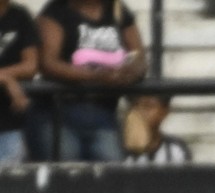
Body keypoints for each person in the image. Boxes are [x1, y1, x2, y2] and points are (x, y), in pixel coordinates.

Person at [31, 0, 147, 161]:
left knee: (110, 175)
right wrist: (97, 76)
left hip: (104, 112)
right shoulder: (56, 11)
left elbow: (138, 56)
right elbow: (48, 63)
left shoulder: (118, 10)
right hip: (59, 113)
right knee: (67, 174)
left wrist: (131, 72)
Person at [0, 1, 38, 164]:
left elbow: (31, 66)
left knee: (10, 184)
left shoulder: (20, 15)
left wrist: (4, 76)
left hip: (9, 120)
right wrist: (6, 79)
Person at [123, 94, 192, 164]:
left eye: (148, 106)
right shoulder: (118, 148)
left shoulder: (176, 149)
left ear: (164, 111)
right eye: (135, 106)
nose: (141, 112)